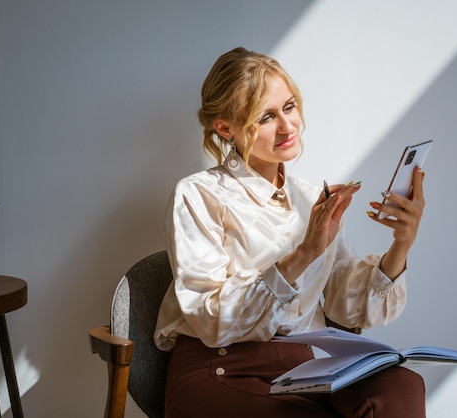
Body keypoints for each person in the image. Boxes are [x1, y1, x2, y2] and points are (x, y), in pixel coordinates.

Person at [154, 47, 427, 418]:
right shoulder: (198, 194)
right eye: (265, 117)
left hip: (305, 371)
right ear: (225, 128)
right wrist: (304, 254)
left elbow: (343, 306)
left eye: (289, 106)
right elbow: (210, 319)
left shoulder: (310, 197)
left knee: (403, 386)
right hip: (219, 369)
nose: (287, 126)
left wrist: (401, 244)